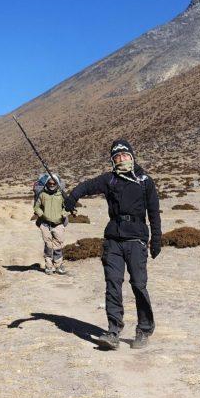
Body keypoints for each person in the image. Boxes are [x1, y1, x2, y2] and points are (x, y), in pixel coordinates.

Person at [65, 140, 161, 350]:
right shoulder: (110, 180)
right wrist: (72, 198)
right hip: (113, 240)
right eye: (117, 157)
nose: (121, 159)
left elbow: (153, 212)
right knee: (113, 284)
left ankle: (144, 329)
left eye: (124, 155)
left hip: (136, 239)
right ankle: (113, 331)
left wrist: (157, 239)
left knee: (138, 285)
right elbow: (86, 186)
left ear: (132, 156)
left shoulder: (145, 181)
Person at [33, 173, 70, 275]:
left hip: (58, 224)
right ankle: (49, 266)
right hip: (45, 224)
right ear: (47, 183)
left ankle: (58, 265)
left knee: (58, 246)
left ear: (57, 184)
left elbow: (67, 207)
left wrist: (64, 213)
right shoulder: (42, 194)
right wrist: (42, 214)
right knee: (48, 246)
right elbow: (36, 207)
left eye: (54, 183)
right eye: (50, 183)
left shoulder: (61, 195)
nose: (52, 185)